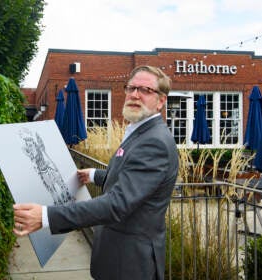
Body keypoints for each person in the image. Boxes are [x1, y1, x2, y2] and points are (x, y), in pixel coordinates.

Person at [13, 65, 179, 280]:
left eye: (146, 90)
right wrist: (93, 175)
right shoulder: (141, 131)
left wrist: (46, 216)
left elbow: (117, 204)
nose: (135, 95)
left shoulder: (154, 142)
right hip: (117, 255)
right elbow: (129, 177)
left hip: (129, 263)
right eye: (131, 88)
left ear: (161, 101)